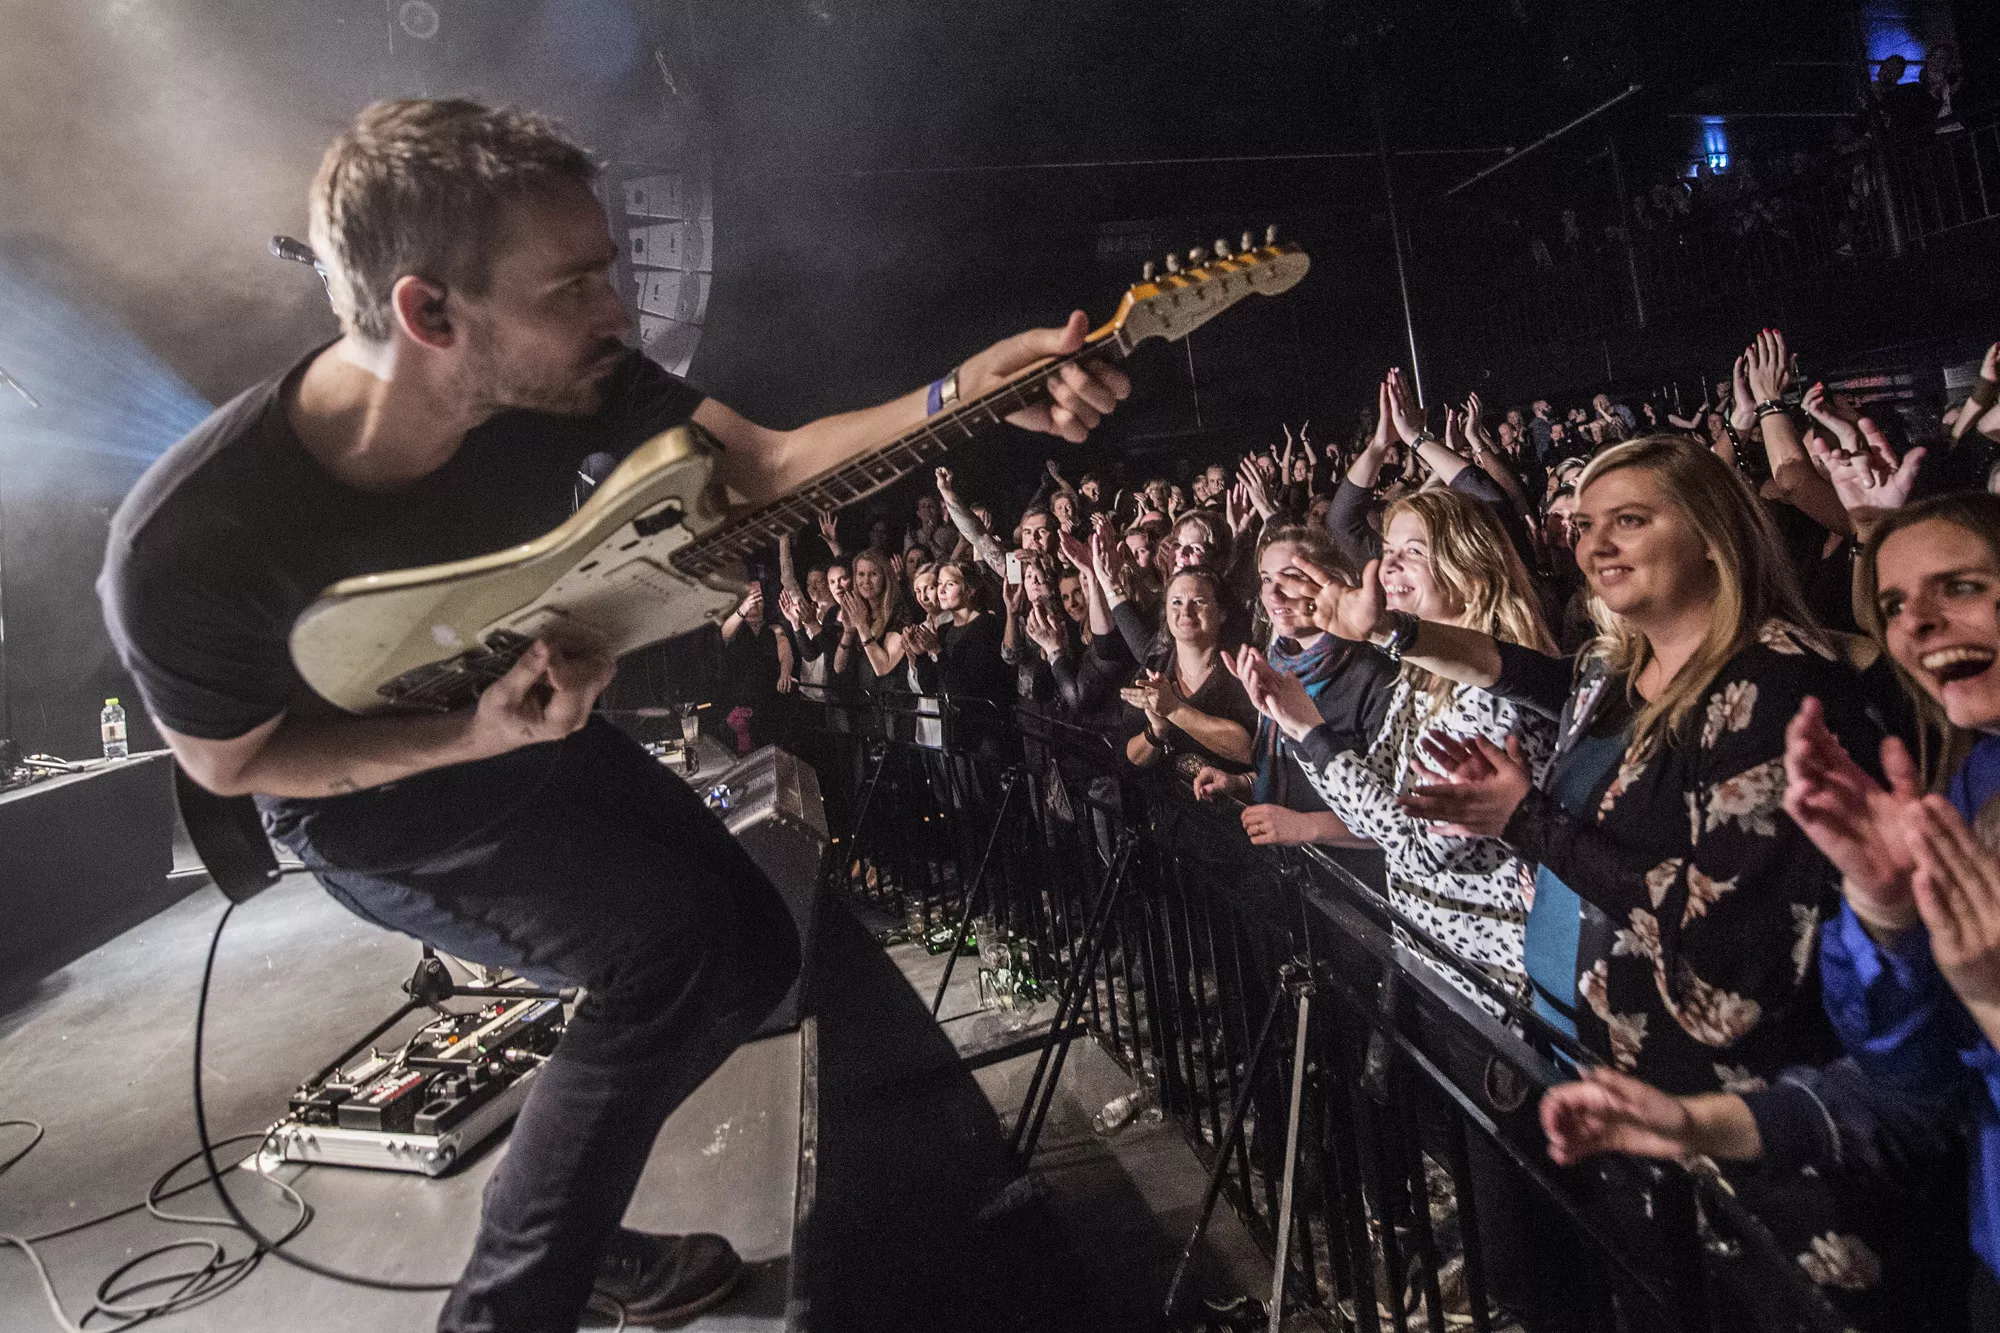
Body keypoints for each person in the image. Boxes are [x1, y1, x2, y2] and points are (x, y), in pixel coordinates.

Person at [96, 99, 1128, 1333]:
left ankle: (569, 1224)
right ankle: (504, 1308)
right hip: (374, 804)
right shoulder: (186, 541)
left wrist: (959, 395)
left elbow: (761, 465)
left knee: (748, 952)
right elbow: (235, 759)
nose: (617, 310)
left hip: (531, 735)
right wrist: (473, 733)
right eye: (574, 283)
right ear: (430, 313)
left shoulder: (563, 380)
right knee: (663, 956)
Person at [1781, 492, 2000, 1317]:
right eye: (1896, 605)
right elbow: (1914, 1071)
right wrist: (1884, 915)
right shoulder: (1972, 782)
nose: (1920, 623)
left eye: (1961, 587)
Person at [1230, 492, 1557, 1007]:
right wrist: (1299, 728)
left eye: (1412, 551)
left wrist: (1311, 733)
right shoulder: (1421, 681)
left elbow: (1414, 845)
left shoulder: (1494, 703)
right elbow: (1372, 804)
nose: (1387, 566)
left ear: (1470, 568)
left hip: (1489, 979)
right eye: (1387, 549)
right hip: (1430, 952)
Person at [1192, 525, 1395, 856]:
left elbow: (1401, 820)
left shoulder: (1371, 674)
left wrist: (1306, 826)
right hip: (1291, 870)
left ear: (1333, 580)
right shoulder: (1278, 660)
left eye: (1290, 576)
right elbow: (1295, 772)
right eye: (1267, 579)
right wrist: (1244, 783)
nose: (1274, 594)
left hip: (1349, 882)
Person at [1119, 566, 1256, 788]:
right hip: (1172, 813)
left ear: (1221, 613)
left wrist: (1174, 710)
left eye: (1199, 601)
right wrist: (1156, 731)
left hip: (1231, 813)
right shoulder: (1155, 667)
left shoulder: (1240, 667)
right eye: (1176, 602)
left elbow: (1249, 750)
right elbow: (1129, 759)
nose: (1186, 611)